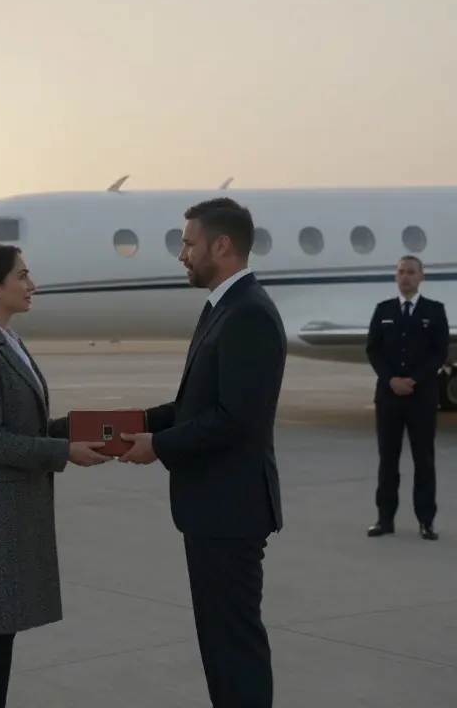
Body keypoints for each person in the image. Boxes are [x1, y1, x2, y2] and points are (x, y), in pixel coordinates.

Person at [119, 197, 285, 708]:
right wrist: (131, 425)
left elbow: (236, 419)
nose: (182, 255)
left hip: (230, 513)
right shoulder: (223, 308)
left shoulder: (249, 315)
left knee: (234, 646)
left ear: (222, 245)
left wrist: (159, 446)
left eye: (189, 243)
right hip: (213, 510)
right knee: (220, 644)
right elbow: (196, 405)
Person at [0, 242, 110, 708]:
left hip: (12, 508)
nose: (31, 284)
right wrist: (65, 452)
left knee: (0, 633)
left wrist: (92, 428)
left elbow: (28, 425)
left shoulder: (7, 341)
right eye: (22, 276)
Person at [364, 255, 449, 541]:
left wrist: (413, 379)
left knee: (424, 460)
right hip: (389, 398)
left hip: (421, 397)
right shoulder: (383, 310)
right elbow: (373, 350)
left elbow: (439, 352)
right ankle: (384, 519)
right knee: (388, 460)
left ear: (421, 277)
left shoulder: (434, 312)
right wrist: (391, 379)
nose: (405, 277)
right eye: (401, 272)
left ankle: (426, 521)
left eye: (411, 272)